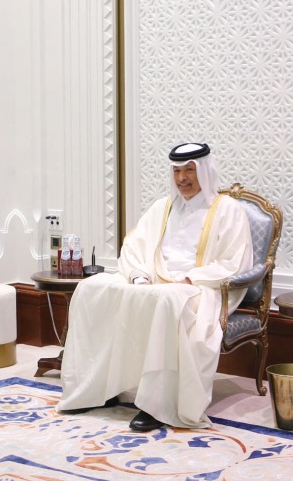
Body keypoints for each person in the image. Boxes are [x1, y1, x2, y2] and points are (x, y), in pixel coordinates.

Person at [57, 143, 253, 432]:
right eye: (177, 171)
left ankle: (156, 405)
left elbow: (235, 262)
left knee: (165, 301)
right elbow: (134, 247)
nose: (182, 178)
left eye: (189, 171)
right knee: (92, 288)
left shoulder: (227, 210)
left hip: (200, 287)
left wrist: (192, 278)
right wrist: (138, 275)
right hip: (155, 281)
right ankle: (99, 388)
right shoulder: (163, 207)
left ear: (205, 172)